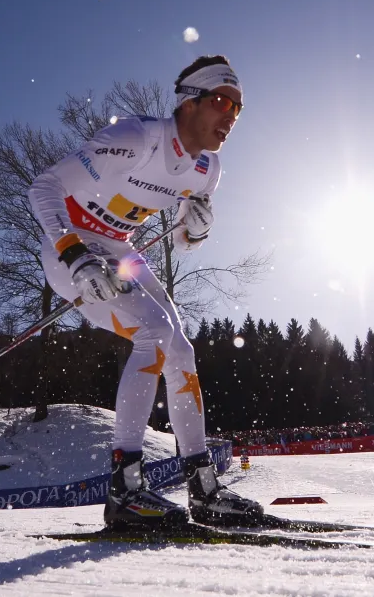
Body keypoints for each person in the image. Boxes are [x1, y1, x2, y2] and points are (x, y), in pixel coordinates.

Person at [27, 55, 263, 528]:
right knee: (153, 331)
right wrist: (75, 255)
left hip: (119, 249)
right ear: (190, 103)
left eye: (238, 110)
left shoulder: (207, 169)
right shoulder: (134, 139)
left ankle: (202, 486)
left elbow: (181, 238)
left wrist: (195, 229)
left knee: (181, 348)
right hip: (72, 249)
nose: (230, 118)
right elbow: (44, 186)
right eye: (221, 102)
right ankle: (125, 487)